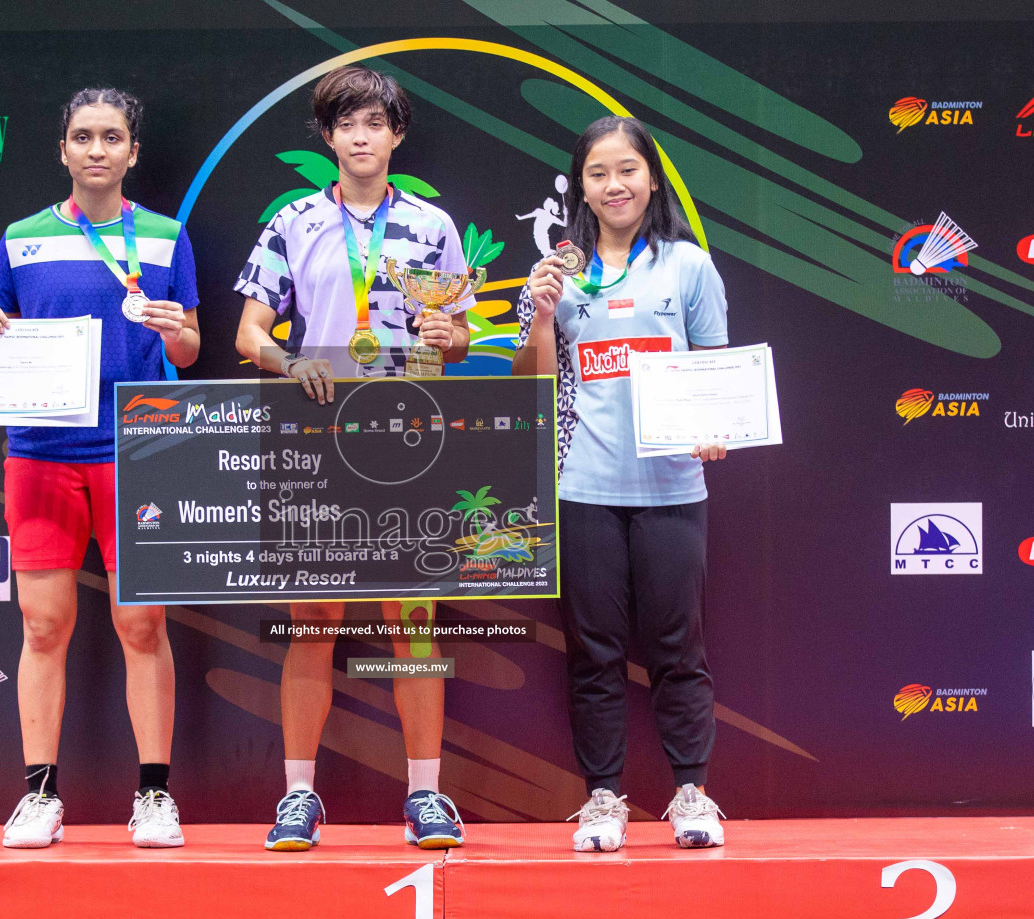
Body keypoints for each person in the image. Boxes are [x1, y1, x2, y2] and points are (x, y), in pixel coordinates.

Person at [233, 65, 473, 851]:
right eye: (347, 124)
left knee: (413, 622)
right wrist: (285, 361)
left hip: (409, 437)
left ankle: (426, 797)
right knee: (315, 621)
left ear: (397, 135)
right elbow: (249, 335)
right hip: (319, 437)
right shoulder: (294, 221)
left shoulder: (434, 226)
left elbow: (460, 336)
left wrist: (451, 338)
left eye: (376, 123)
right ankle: (298, 795)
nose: (362, 136)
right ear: (329, 138)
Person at [0, 87, 200, 850]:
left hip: (141, 448)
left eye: (113, 137)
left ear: (133, 152)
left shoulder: (164, 237)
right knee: (42, 624)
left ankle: (154, 795)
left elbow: (190, 348)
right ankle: (40, 796)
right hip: (42, 451)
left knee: (142, 623)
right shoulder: (21, 238)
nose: (98, 149)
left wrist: (174, 329)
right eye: (84, 136)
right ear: (63, 150)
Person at [514, 115, 730, 852]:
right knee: (594, 653)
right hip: (584, 489)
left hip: (674, 488)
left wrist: (713, 426)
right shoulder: (557, 274)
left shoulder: (688, 266)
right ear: (580, 186)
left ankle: (691, 794)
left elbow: (715, 372)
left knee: (678, 648)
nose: (615, 185)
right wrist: (541, 314)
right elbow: (533, 388)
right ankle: (603, 799)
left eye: (628, 170)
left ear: (652, 179)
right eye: (599, 172)